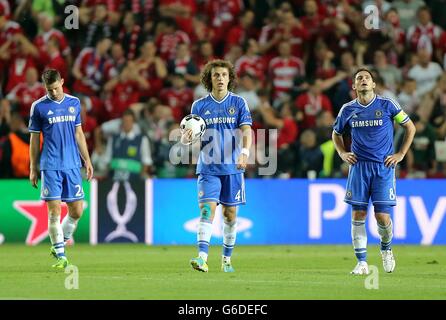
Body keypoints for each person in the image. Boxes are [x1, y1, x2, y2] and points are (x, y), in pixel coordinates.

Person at [332, 68, 416, 275]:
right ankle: (361, 263)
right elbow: (336, 134)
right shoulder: (347, 109)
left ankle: (386, 249)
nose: (363, 80)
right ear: (354, 86)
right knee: (358, 214)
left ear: (373, 84)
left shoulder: (387, 104)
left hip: (383, 168)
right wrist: (343, 153)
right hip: (359, 168)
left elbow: (410, 127)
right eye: (359, 78)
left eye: (367, 78)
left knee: (382, 217)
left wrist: (401, 154)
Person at [181, 59, 252, 273]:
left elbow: (247, 130)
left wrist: (245, 153)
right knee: (206, 210)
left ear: (229, 78)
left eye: (223, 75)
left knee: (230, 215)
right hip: (208, 168)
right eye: (216, 75)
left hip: (232, 168)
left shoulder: (239, 103)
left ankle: (226, 259)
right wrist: (187, 138)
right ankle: (202, 258)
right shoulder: (199, 106)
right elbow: (189, 138)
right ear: (209, 79)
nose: (220, 78)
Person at [29, 69, 93, 269]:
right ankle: (61, 255)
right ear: (44, 87)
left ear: (62, 82)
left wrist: (87, 160)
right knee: (54, 212)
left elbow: (79, 133)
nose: (54, 92)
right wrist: (33, 167)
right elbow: (34, 139)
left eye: (56, 88)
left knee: (77, 211)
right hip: (50, 165)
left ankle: (59, 242)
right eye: (50, 89)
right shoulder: (38, 107)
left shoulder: (73, 103)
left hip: (72, 164)